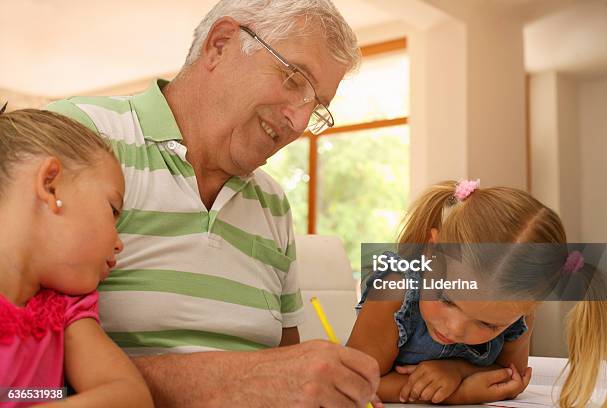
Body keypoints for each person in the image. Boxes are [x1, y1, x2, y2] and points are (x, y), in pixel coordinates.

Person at [46, 0, 380, 406]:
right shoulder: (79, 134)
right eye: (294, 80)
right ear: (220, 45)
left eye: (317, 107)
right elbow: (22, 369)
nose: (298, 121)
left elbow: (284, 367)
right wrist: (231, 380)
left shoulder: (273, 202)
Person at [348, 179, 575, 404]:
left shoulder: (517, 312)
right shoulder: (394, 291)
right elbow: (354, 383)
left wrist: (456, 370)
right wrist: (459, 394)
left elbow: (510, 376)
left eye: (487, 324)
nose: (455, 328)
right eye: (448, 300)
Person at [0, 109, 153, 407]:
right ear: (50, 184)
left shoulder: (67, 310)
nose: (119, 243)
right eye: (112, 210)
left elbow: (130, 396)